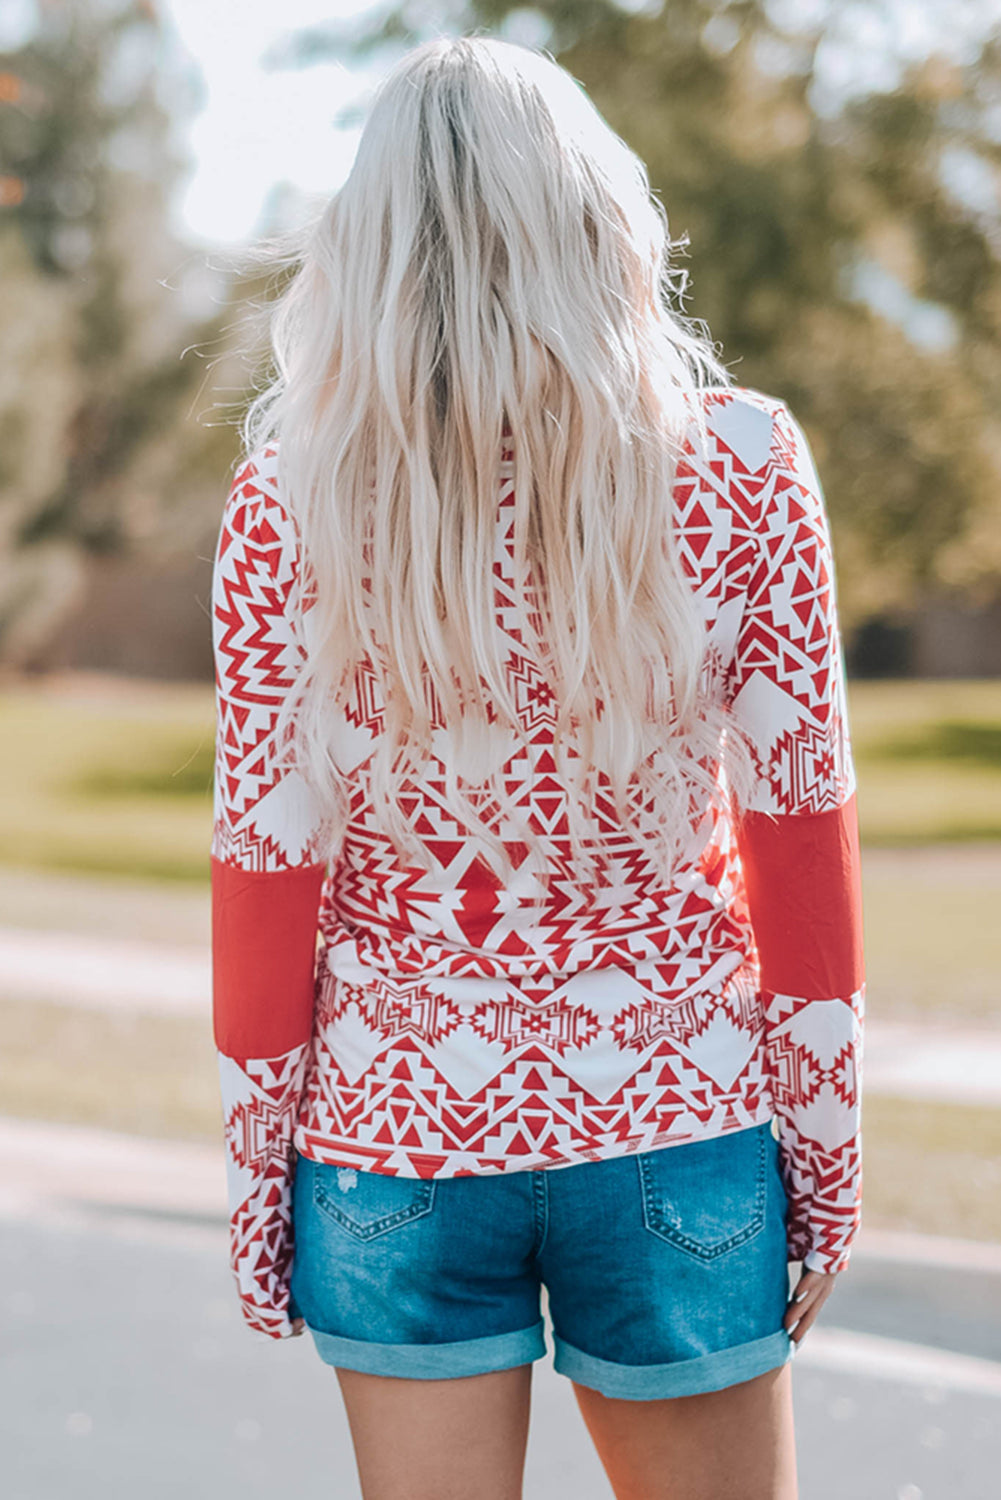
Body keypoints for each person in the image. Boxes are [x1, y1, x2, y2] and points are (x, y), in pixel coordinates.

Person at [209, 33, 865, 1500]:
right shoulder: (743, 463)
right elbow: (800, 842)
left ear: (365, 247)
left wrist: (261, 1188)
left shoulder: (288, 499)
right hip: (677, 1119)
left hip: (393, 1134)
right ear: (598, 217)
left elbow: (266, 870)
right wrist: (822, 1161)